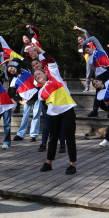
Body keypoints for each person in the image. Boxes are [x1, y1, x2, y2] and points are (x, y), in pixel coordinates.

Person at [32, 45, 77, 175]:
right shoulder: (40, 92)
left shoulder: (54, 77)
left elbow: (50, 60)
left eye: (39, 73)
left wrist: (39, 50)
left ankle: (72, 165)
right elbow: (44, 105)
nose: (37, 76)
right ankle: (48, 163)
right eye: (35, 76)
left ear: (45, 74)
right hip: (53, 114)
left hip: (67, 109)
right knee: (52, 138)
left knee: (70, 138)